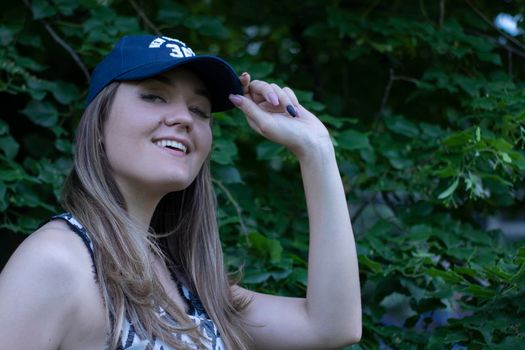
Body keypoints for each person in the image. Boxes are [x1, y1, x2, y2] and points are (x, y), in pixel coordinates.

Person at [0, 35, 361, 350]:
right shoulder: (58, 262)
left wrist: (316, 150)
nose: (185, 118)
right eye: (155, 96)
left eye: (198, 109)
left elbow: (332, 326)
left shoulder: (189, 283)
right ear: (98, 124)